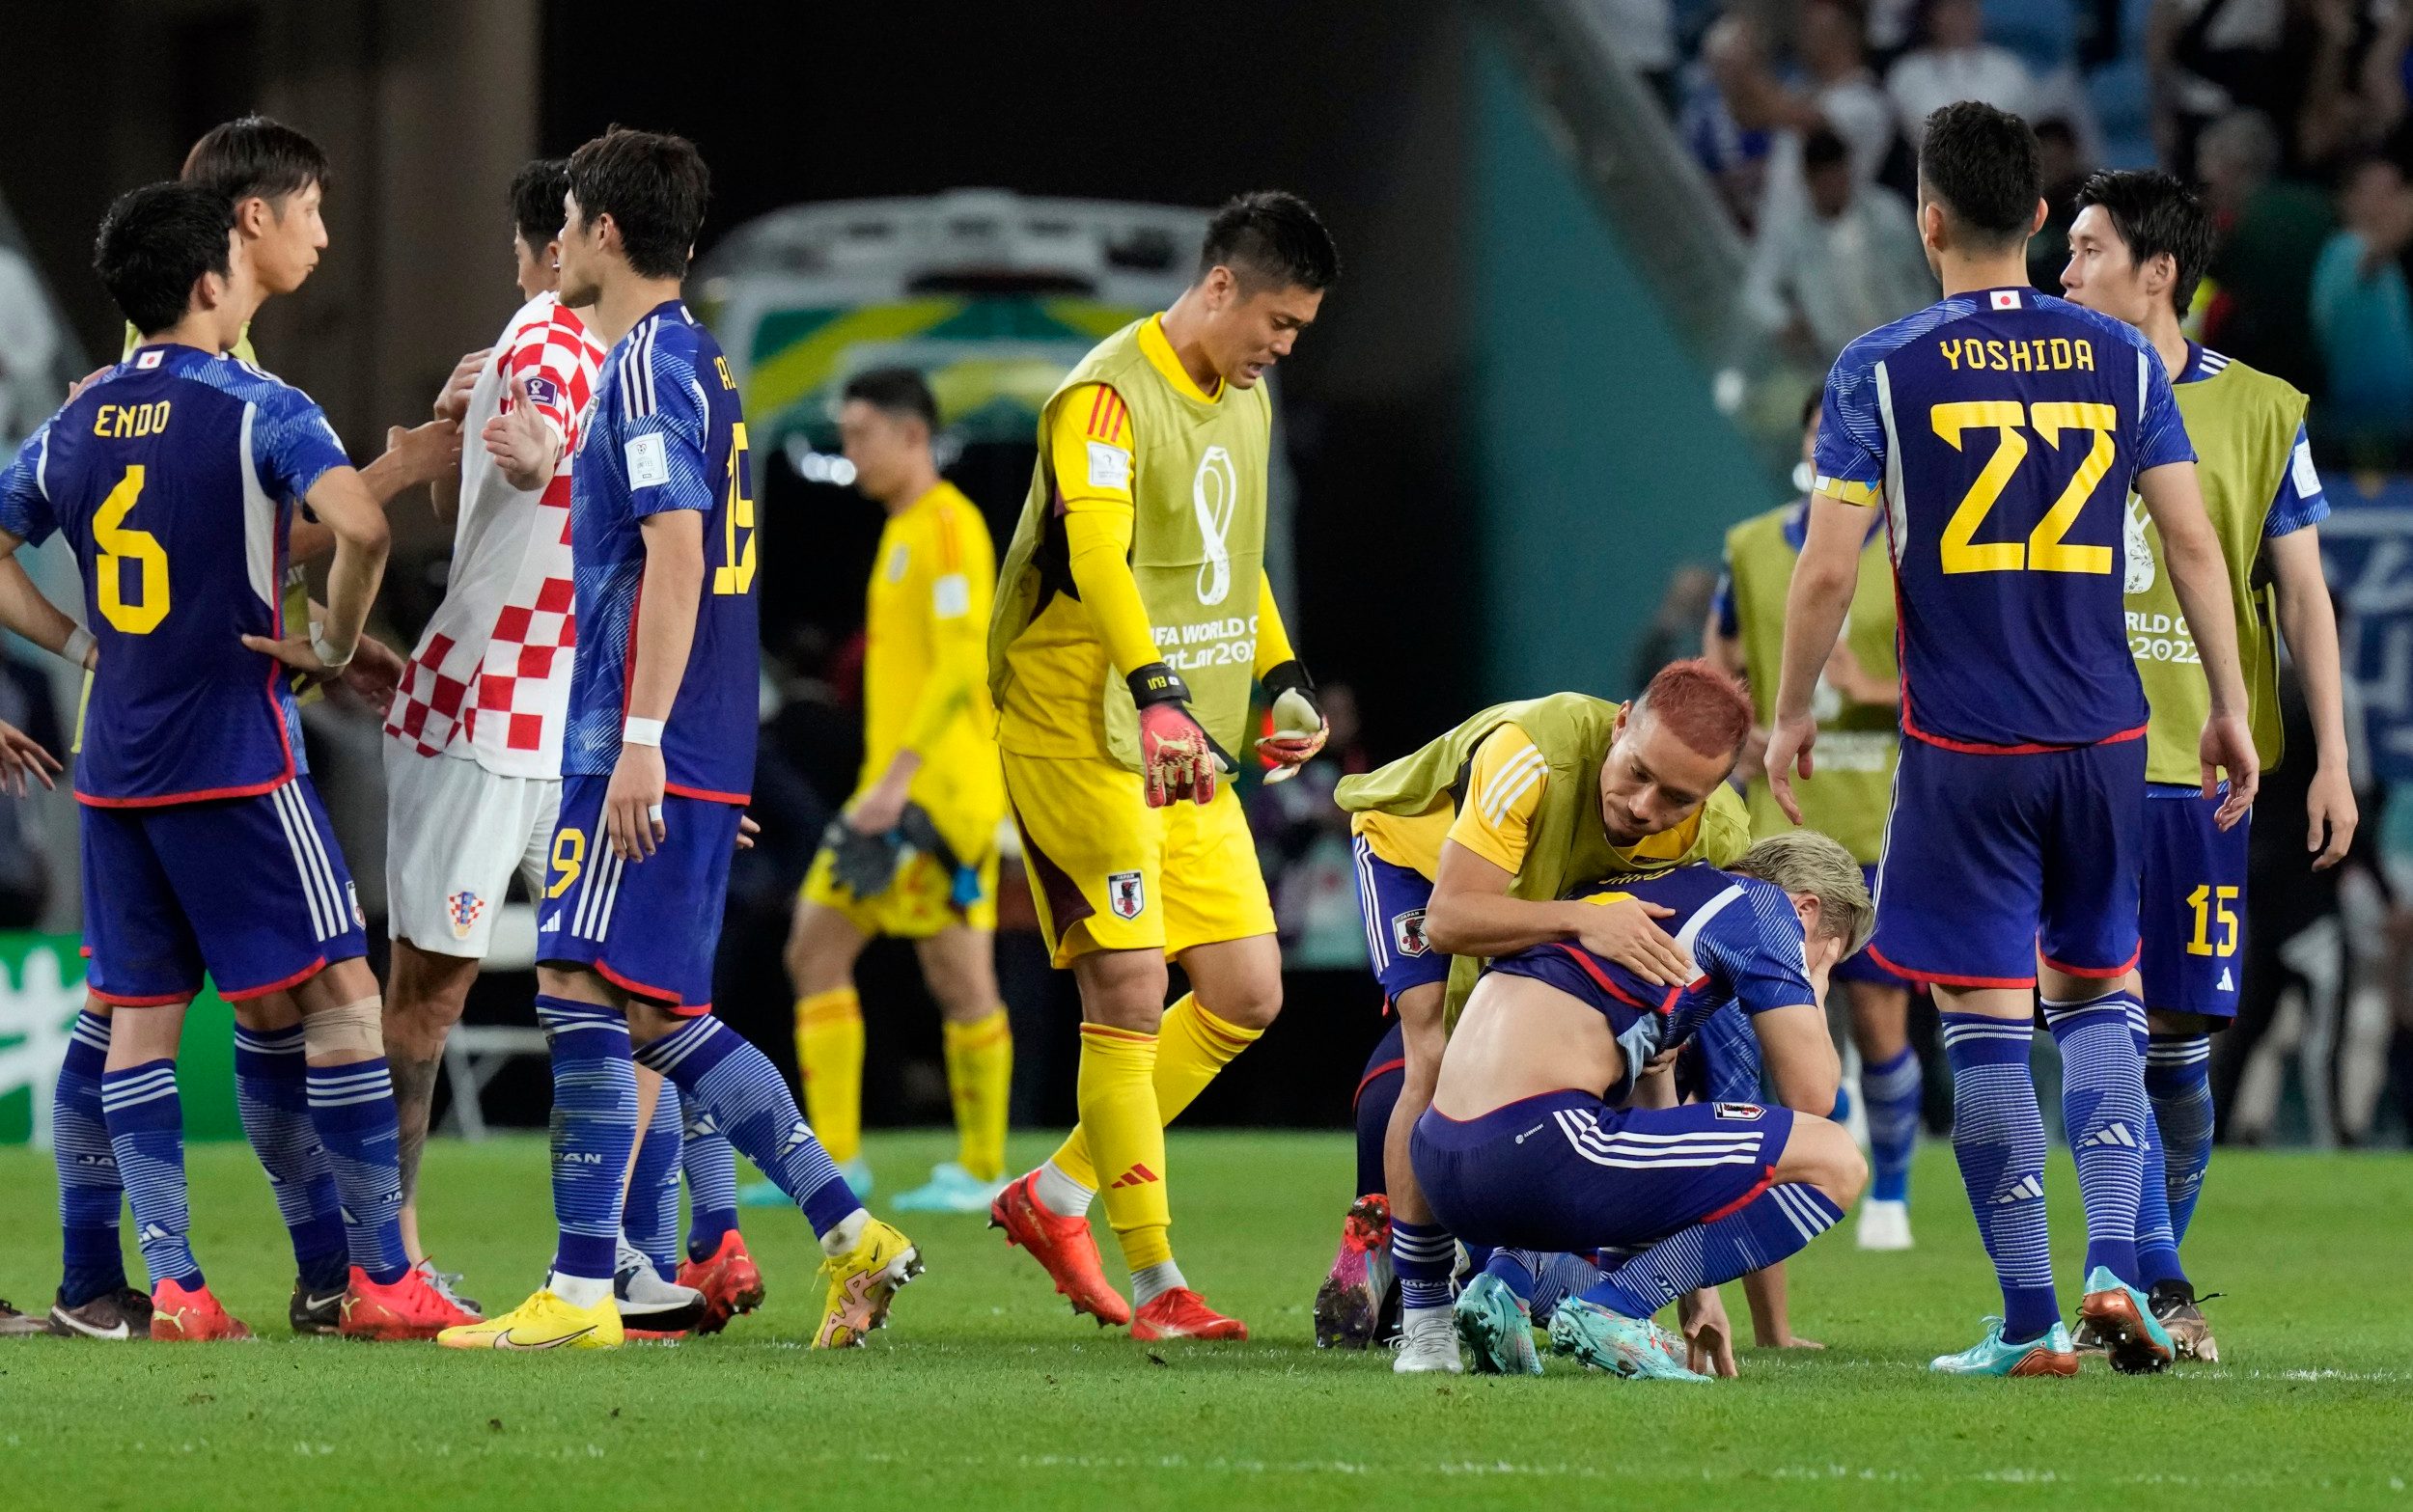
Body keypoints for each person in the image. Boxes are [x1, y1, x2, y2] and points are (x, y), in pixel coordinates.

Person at [1771, 100, 2257, 1378]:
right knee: (2101, 989)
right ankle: (2119, 1267)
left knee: (1982, 1012)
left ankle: (2033, 1317)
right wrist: (2230, 702)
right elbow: (2196, 542)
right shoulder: (2120, 355)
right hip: (2105, 734)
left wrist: (1791, 711)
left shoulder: (1882, 362)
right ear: (2041, 220)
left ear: (1926, 219)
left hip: (1965, 746)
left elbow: (1824, 572)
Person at [440, 128, 917, 1352]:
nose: (556, 246)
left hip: (635, 734)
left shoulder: (648, 368)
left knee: (578, 988)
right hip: (689, 736)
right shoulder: (690, 363)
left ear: (601, 231)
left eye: (569, 224)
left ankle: (586, 1290)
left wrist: (649, 740)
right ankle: (844, 1232)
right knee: (648, 1009)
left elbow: (675, 553)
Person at [2, 180, 473, 1341]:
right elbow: (355, 526)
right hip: (235, 757)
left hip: (114, 767)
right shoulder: (258, 402)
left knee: (139, 1018)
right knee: (346, 999)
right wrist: (329, 633)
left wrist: (76, 643)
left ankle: (174, 1287)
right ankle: (378, 1275)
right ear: (214, 281)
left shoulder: (75, 416)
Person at [983, 192, 1336, 1342]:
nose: (1285, 346)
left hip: (1176, 725)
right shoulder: (1100, 398)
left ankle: (1059, 1191)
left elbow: (1226, 564)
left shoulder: (1247, 393)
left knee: (1244, 991)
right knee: (1129, 989)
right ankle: (1156, 1282)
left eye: (1299, 330)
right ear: (1222, 285)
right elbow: (1094, 553)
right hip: (1078, 722)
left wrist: (1279, 678)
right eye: (1278, 321)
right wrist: (1161, 696)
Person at [2060, 166, 2354, 1361]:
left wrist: (2331, 757)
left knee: (2180, 1044)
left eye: (2084, 251)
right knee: (2102, 1027)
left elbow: (2302, 597)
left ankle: (2143, 1278)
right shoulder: (2050, 399)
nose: (2062, 272)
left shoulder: (2262, 409)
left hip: (2204, 769)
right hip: (2077, 760)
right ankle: (2139, 1282)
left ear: (2157, 273)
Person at [1324, 664, 1755, 1370]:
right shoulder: (1528, 753)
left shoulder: (1720, 838)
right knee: (1434, 1058)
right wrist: (1581, 921)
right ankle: (1428, 1320)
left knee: (1613, 1065)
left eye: (1678, 797)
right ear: (1620, 723)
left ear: (1710, 797)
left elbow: (1665, 1054)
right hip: (1419, 863)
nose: (1645, 807)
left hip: (1543, 896)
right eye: (1638, 772)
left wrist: (1696, 1289)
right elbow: (1452, 918)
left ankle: (1497, 1275)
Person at [1411, 832, 1872, 1381]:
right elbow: (1814, 1097)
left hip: (1444, 1165)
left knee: (1625, 1153)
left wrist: (1698, 1292)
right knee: (1836, 1159)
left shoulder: (1643, 898)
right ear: (1806, 907)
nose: (1817, 967)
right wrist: (1815, 985)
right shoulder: (1762, 907)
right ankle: (1611, 1310)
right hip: (1536, 1149)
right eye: (1831, 951)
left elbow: (1655, 1135)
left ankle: (1512, 1281)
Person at [786, 366, 1013, 1215]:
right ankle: (838, 1161)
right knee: (816, 950)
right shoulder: (904, 530)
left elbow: (961, 665)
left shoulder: (950, 528)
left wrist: (898, 780)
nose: (850, 454)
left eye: (860, 435)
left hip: (933, 800)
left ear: (911, 434)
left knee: (958, 977)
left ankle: (985, 1166)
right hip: (898, 791)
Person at [1707, 396, 1924, 1251]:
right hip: (1776, 832)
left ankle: (1891, 1197)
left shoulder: (1916, 549)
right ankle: (1779, 1178)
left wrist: (1876, 693)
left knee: (1878, 1018)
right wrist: (1735, 723)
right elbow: (1716, 656)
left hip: (1877, 823)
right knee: (1763, 1024)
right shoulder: (1752, 547)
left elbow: (1956, 681)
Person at [2310, 155, 2413, 466]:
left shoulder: (2386, 263)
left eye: (2395, 191)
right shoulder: (2345, 250)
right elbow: (2371, 258)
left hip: (2396, 423)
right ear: (2348, 200)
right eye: (2379, 192)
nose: (2391, 202)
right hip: (2363, 433)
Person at [1885, 0, 2036, 149]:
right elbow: (1915, 128)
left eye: (1966, 9)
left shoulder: (2009, 67)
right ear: (1931, 17)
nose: (1959, 18)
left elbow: (2022, 125)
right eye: (1951, 10)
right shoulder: (1907, 71)